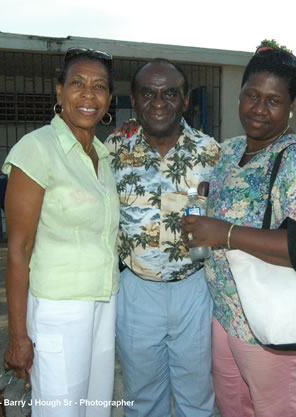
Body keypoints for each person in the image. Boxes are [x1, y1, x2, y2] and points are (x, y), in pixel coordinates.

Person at [180, 47, 296, 417]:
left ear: (291, 106)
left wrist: (226, 233)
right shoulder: (231, 150)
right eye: (252, 95)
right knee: (233, 407)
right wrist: (206, 200)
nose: (259, 109)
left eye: (273, 101)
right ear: (240, 93)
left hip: (269, 326)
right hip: (226, 315)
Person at [2, 47, 120, 417]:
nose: (88, 95)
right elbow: (18, 249)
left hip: (105, 304)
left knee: (97, 409)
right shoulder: (36, 150)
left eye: (99, 86)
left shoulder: (104, 157)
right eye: (77, 84)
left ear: (110, 99)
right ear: (59, 92)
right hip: (59, 310)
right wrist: (18, 336)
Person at [106, 58, 220, 417]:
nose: (158, 102)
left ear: (186, 100)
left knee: (197, 399)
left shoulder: (213, 153)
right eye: (148, 93)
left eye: (170, 93)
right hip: (135, 291)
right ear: (133, 100)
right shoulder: (112, 150)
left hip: (195, 290)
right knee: (141, 400)